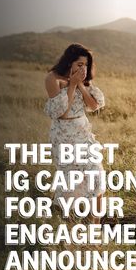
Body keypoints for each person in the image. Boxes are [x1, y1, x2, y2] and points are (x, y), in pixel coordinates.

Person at [44, 43, 105, 223]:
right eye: (79, 64)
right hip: (64, 135)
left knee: (97, 177)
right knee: (70, 183)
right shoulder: (52, 78)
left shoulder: (84, 80)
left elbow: (94, 105)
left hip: (83, 133)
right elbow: (61, 112)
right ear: (69, 62)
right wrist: (71, 85)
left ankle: (95, 231)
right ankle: (66, 229)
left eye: (86, 65)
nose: (83, 68)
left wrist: (81, 86)